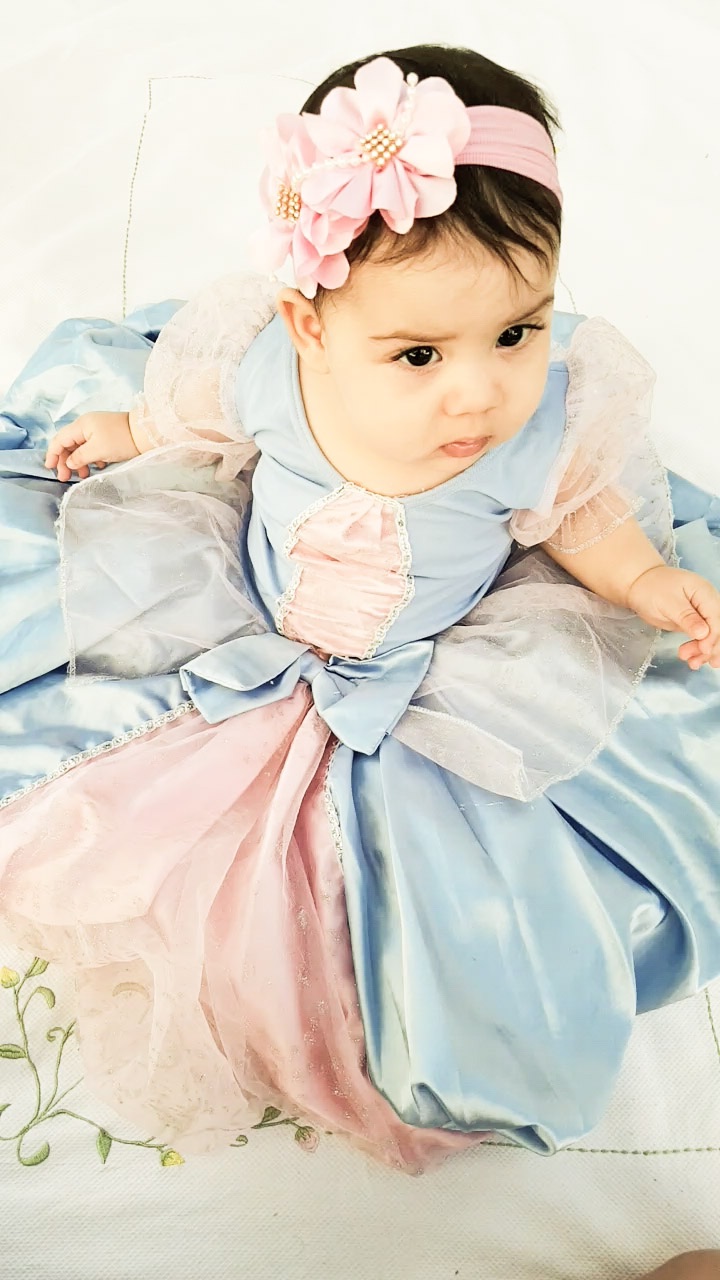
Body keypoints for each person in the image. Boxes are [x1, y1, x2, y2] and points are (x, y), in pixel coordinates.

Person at [0, 43, 718, 1176]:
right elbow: (200, 416)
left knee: (449, 902)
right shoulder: (271, 375)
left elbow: (581, 518)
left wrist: (642, 582)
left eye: (518, 332)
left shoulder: (529, 431)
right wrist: (131, 433)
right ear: (313, 326)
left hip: (437, 672)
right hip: (245, 615)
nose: (478, 391)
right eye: (420, 352)